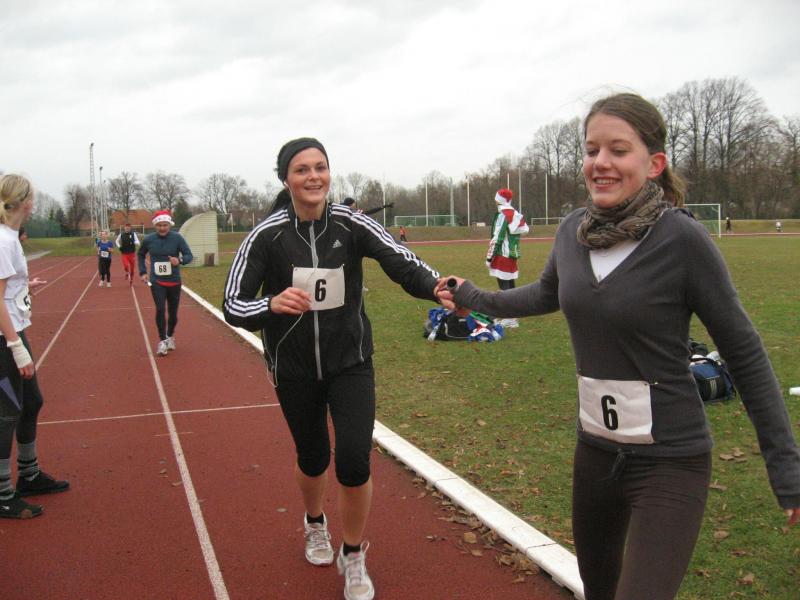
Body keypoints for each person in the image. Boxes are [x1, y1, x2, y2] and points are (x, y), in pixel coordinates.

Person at [438, 93, 800, 600]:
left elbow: (744, 353)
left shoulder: (682, 240)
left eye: (618, 150)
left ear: (654, 164)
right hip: (596, 454)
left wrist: (786, 467)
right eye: (591, 150)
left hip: (670, 461)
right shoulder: (572, 232)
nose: (600, 162)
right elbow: (543, 295)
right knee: (599, 590)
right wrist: (471, 296)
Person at [223, 137, 441, 600]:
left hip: (350, 362)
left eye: (320, 167)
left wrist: (435, 286)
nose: (313, 176)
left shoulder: (350, 223)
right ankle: (314, 522)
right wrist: (271, 304)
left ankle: (354, 553)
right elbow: (233, 303)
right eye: (302, 169)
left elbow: (401, 262)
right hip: (294, 368)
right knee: (313, 457)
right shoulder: (266, 236)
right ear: (286, 179)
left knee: (354, 459)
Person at [0, 174, 70, 519]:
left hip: (14, 330)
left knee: (32, 401)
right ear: (25, 202)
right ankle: (2, 493)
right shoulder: (3, 240)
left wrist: (26, 285)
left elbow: (7, 288)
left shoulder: (10, 238)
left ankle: (28, 475)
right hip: (4, 338)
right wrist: (15, 345)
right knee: (7, 410)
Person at [138, 210, 193, 357]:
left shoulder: (177, 238)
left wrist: (179, 260)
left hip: (174, 281)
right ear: (155, 226)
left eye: (165, 225)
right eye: (159, 225)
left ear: (169, 224)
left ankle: (170, 335)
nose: (162, 228)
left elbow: (189, 255)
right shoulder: (149, 239)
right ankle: (162, 341)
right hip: (156, 281)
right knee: (160, 309)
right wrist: (143, 272)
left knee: (173, 313)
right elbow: (141, 254)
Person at [486, 188, 529, 291]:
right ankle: (515, 302)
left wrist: (489, 257)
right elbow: (524, 230)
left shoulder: (502, 215)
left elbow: (498, 238)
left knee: (504, 290)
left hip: (502, 255)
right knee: (511, 287)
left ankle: (509, 302)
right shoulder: (515, 214)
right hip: (512, 254)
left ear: (499, 200)